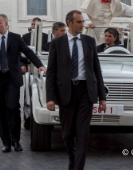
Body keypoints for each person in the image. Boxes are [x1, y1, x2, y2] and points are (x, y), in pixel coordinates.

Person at [46, 10, 106, 170]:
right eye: (79, 22)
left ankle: (78, 167)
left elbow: (96, 70)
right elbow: (51, 71)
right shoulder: (57, 43)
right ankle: (72, 158)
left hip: (86, 92)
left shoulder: (89, 41)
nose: (82, 25)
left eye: (82, 22)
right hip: (65, 93)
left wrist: (102, 96)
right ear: (69, 23)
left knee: (83, 132)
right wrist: (50, 98)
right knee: (66, 133)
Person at [0, 14, 46, 152]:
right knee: (0, 111)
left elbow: (28, 52)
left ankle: (16, 140)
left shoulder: (16, 38)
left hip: (12, 78)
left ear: (6, 23)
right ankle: (6, 142)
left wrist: (39, 65)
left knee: (13, 107)